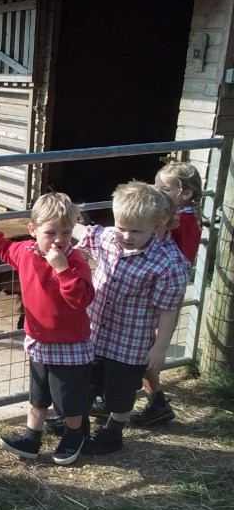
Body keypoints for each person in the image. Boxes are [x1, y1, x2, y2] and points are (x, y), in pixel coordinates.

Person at [0, 193, 94, 466]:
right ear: (33, 230)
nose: (59, 239)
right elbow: (3, 247)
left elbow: (81, 300)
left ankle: (75, 434)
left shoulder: (75, 261)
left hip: (69, 342)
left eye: (66, 232)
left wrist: (62, 270)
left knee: (67, 397)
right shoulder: (24, 252)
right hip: (38, 340)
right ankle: (31, 437)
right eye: (51, 232)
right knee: (37, 395)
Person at [73, 181, 189, 456]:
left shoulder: (167, 263)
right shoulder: (109, 238)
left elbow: (168, 309)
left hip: (131, 340)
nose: (125, 235)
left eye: (136, 231)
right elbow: (84, 232)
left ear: (157, 224)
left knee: (121, 391)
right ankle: (75, 425)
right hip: (96, 330)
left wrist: (159, 347)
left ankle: (113, 431)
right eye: (121, 227)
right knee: (88, 379)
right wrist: (58, 220)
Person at [129, 188, 192, 427]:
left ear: (159, 222)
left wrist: (161, 344)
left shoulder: (166, 253)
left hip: (153, 314)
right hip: (143, 314)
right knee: (143, 361)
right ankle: (156, 402)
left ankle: (155, 402)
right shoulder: (150, 240)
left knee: (145, 359)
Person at [155, 160, 203, 265]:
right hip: (181, 269)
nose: (157, 193)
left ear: (186, 194)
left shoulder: (177, 218)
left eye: (165, 190)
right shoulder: (192, 214)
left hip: (170, 269)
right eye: (156, 188)